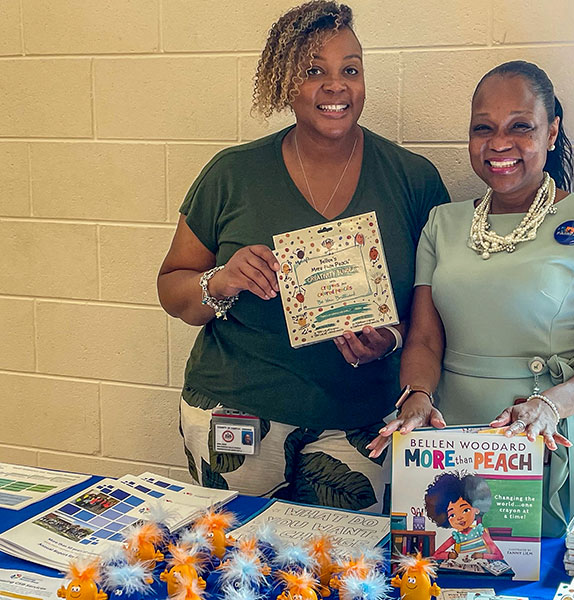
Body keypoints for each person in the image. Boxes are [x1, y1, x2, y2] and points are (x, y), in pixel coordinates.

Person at [157, 1, 449, 514]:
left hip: (360, 422)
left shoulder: (413, 179)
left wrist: (390, 340)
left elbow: (435, 310)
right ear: (286, 82)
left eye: (350, 70)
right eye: (315, 70)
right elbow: (172, 288)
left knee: (344, 574)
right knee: (234, 569)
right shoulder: (233, 174)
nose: (336, 86)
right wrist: (221, 281)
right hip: (237, 412)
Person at [368, 60, 574, 536]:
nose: (499, 144)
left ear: (552, 132)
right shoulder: (442, 224)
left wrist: (549, 406)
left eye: (521, 127)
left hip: (553, 434)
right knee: (447, 573)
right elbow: (426, 341)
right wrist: (415, 395)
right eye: (483, 128)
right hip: (451, 441)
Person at [424, 471, 503, 561]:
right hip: (462, 572)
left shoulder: (480, 532)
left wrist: (482, 555)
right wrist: (449, 555)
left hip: (483, 572)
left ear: (476, 509)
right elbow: (436, 555)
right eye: (452, 515)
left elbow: (498, 555)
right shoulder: (456, 537)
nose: (459, 517)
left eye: (465, 510)